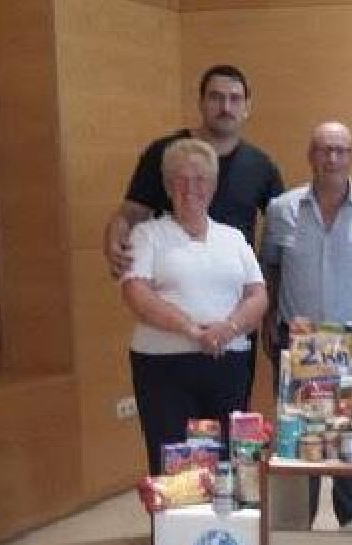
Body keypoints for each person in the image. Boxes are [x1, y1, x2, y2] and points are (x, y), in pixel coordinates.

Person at [261, 121, 352, 527]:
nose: (332, 158)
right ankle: (296, 532)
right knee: (299, 438)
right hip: (299, 345)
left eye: (341, 150)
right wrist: (269, 321)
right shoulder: (281, 210)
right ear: (310, 156)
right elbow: (269, 270)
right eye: (324, 150)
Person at [106, 64, 283, 384]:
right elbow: (129, 215)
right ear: (201, 103)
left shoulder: (261, 166)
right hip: (168, 333)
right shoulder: (163, 154)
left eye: (234, 99)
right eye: (216, 98)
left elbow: (285, 224)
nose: (225, 107)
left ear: (246, 107)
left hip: (232, 328)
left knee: (231, 427)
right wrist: (113, 239)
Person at [121, 138, 268, 477]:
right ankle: (175, 530)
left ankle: (221, 530)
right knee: (171, 458)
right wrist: (190, 330)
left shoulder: (233, 237)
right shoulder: (147, 235)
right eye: (181, 180)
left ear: (213, 186)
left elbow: (258, 295)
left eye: (201, 179)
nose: (191, 188)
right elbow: (136, 293)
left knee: (227, 459)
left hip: (227, 362)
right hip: (163, 368)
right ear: (168, 186)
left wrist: (227, 329)